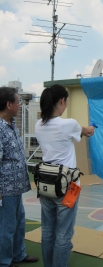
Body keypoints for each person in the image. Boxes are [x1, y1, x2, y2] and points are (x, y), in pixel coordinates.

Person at [35, 84, 95, 267]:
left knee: (47, 231)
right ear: (62, 101)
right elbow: (85, 132)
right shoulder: (69, 124)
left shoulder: (39, 124)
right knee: (64, 233)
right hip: (70, 188)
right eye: (66, 101)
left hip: (46, 184)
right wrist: (90, 129)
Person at [0, 87, 39, 267]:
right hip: (5, 189)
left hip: (16, 187)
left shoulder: (12, 124)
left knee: (19, 223)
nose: (20, 105)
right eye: (18, 101)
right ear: (9, 104)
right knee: (6, 227)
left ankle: (19, 254)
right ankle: (5, 261)